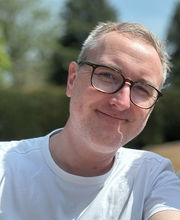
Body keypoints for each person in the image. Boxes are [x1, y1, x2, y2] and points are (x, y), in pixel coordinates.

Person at [0, 22, 180, 220]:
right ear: (72, 80)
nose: (121, 102)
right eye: (107, 75)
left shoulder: (152, 177)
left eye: (142, 89)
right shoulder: (5, 166)